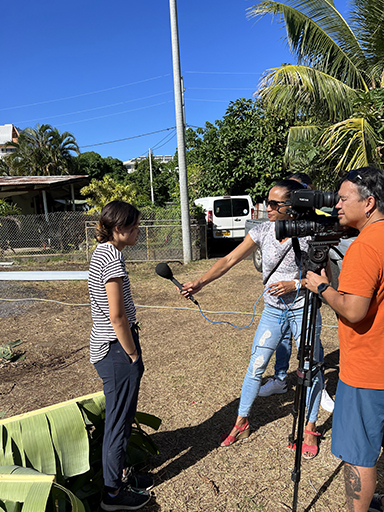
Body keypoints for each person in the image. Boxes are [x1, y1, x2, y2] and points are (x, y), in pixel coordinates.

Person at [183, 180, 324, 458]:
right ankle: (242, 422)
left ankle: (309, 427)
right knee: (256, 366)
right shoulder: (261, 231)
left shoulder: (310, 235)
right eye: (267, 202)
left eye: (274, 204)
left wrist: (294, 285)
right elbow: (228, 260)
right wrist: (200, 281)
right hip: (273, 310)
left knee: (311, 367)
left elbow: (324, 279)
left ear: (291, 206)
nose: (267, 208)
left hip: (303, 309)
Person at [305, 167, 384, 512]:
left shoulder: (365, 246)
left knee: (358, 454)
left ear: (368, 203)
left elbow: (353, 310)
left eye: (342, 198)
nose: (336, 204)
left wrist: (321, 287)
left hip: (367, 370)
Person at [88, 200, 152, 511]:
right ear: (118, 229)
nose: (139, 231)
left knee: (122, 419)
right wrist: (132, 354)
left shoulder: (104, 253)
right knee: (117, 422)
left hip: (110, 348)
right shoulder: (111, 259)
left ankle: (122, 474)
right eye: (135, 226)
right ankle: (112, 494)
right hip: (115, 349)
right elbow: (117, 317)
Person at [259, 173, 335, 414]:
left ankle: (318, 387)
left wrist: (297, 284)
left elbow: (326, 278)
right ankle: (280, 379)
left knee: (312, 347)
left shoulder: (319, 222)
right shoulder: (278, 226)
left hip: (306, 301)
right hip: (279, 305)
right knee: (282, 343)